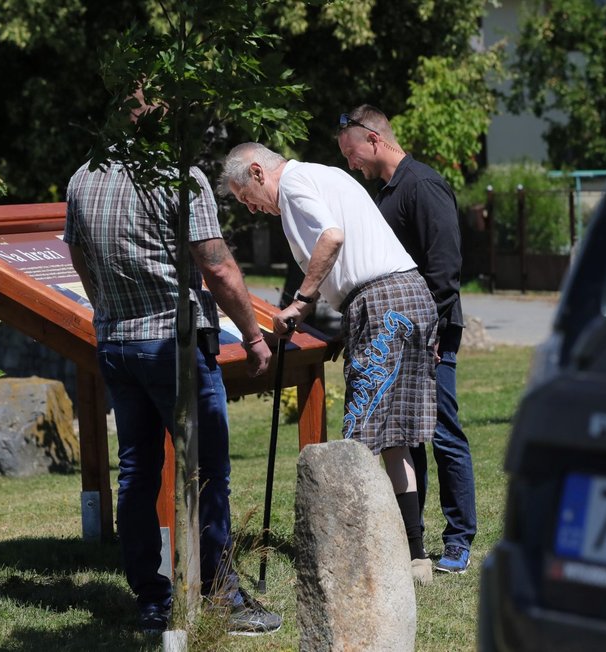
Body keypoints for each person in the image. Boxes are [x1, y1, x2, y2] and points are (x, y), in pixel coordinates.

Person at [64, 98, 283, 635]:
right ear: (165, 123)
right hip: (173, 345)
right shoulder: (180, 180)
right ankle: (222, 596)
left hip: (116, 342)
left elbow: (78, 258)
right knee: (208, 469)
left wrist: (108, 311)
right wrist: (255, 336)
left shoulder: (82, 179)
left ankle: (151, 600)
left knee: (138, 471)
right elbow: (219, 269)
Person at [219, 142, 438, 585]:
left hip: (383, 303)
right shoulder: (323, 176)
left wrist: (301, 301)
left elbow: (332, 237)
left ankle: (358, 550)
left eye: (248, 198)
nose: (255, 210)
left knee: (360, 437)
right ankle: (414, 556)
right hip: (403, 295)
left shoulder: (297, 183)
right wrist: (346, 326)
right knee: (393, 435)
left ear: (259, 173)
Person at [337, 105, 477, 574]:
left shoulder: (422, 186)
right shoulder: (386, 193)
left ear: (374, 139)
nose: (350, 163)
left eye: (351, 153)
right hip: (401, 331)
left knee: (440, 431)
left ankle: (458, 540)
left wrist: (433, 332)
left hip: (430, 331)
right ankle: (410, 537)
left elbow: (445, 268)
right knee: (406, 432)